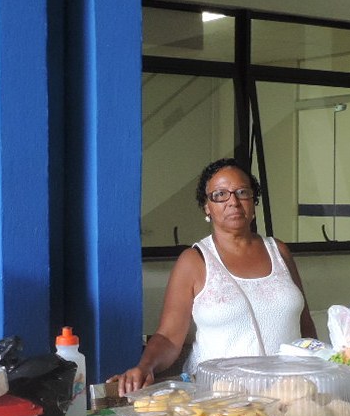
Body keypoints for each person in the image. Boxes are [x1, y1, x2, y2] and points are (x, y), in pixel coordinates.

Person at [118, 158, 317, 392]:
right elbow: (169, 337)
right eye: (220, 195)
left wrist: (321, 370)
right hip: (220, 400)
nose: (233, 202)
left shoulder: (279, 251)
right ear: (207, 207)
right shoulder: (194, 261)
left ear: (253, 201)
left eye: (242, 192)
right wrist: (145, 366)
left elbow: (305, 325)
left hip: (288, 395)